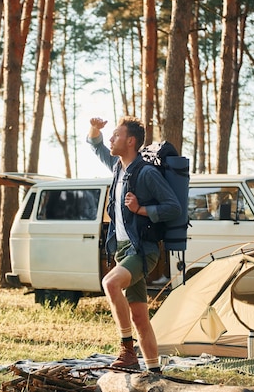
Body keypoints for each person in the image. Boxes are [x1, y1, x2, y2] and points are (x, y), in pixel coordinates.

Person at [87, 116, 181, 372]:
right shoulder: (118, 167)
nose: (111, 139)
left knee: (110, 282)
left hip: (143, 250)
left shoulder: (147, 173)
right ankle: (153, 370)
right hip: (123, 251)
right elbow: (96, 145)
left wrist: (141, 209)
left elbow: (173, 207)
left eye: (115, 135)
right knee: (140, 317)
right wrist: (95, 129)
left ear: (130, 141)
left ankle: (127, 350)